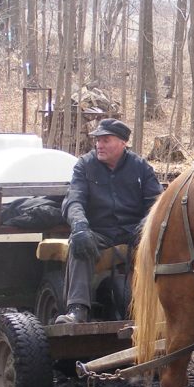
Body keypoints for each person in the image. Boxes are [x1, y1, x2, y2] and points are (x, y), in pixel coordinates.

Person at [54, 118, 163, 324]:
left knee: (165, 244)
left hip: (134, 233)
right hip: (99, 232)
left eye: (105, 140)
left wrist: (144, 226)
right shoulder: (85, 165)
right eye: (97, 140)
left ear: (123, 143)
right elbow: (74, 200)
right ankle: (77, 309)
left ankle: (165, 304)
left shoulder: (141, 167)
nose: (99, 145)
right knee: (80, 243)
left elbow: (157, 203)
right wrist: (79, 226)